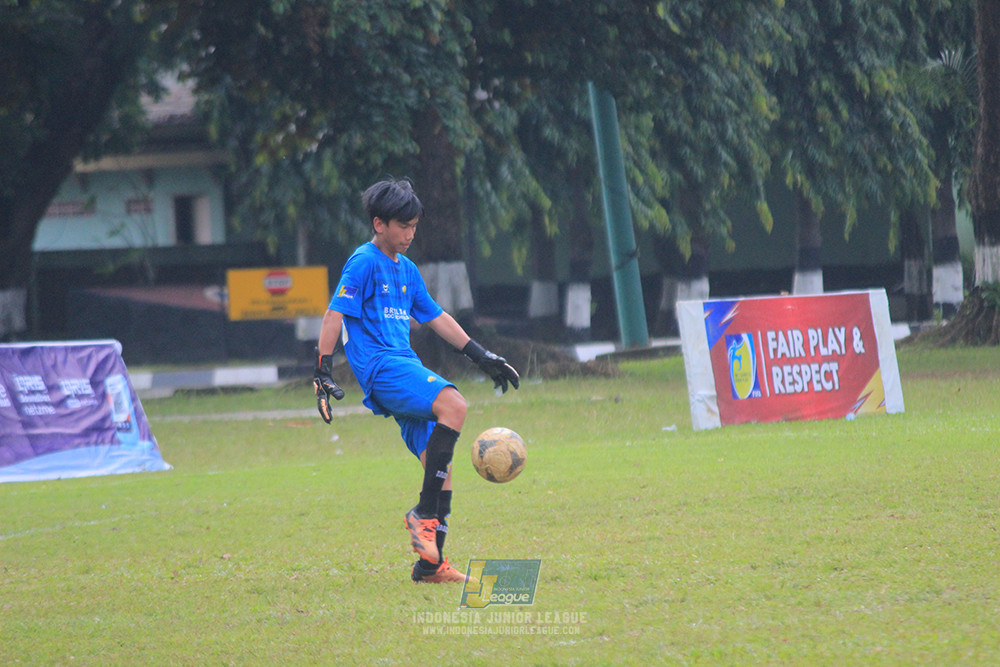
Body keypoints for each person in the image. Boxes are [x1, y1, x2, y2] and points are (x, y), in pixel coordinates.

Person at [313, 178, 520, 584]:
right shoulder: (363, 262)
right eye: (403, 226)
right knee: (454, 404)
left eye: (414, 226)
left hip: (403, 363)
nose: (410, 234)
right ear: (379, 224)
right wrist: (322, 370)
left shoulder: (407, 270)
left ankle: (430, 565)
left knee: (439, 468)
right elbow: (334, 313)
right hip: (381, 366)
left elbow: (436, 316)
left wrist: (482, 355)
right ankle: (423, 515)